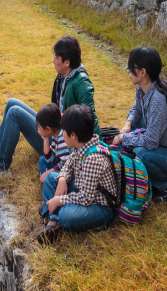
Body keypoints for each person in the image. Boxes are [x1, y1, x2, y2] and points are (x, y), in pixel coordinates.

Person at [0, 35, 97, 191]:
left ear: (67, 62)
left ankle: (1, 169)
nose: (53, 61)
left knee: (15, 113)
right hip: (56, 128)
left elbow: (91, 118)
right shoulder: (65, 76)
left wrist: (94, 154)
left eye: (57, 57)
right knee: (12, 102)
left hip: (61, 142)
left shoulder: (80, 82)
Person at [112, 46, 167, 202]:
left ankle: (166, 184)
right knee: (135, 127)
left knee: (140, 153)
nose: (129, 72)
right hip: (164, 145)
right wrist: (128, 124)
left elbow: (151, 142)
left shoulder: (158, 99)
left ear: (143, 72)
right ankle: (150, 174)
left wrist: (124, 138)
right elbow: (137, 108)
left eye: (131, 68)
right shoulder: (142, 87)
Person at [36, 104, 117, 242]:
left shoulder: (93, 159)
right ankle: (53, 217)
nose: (62, 135)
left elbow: (86, 198)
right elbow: (68, 165)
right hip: (84, 190)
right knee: (51, 178)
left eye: (64, 132)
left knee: (66, 216)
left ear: (73, 135)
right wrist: (62, 179)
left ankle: (54, 214)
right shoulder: (81, 145)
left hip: (99, 206)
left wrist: (59, 200)